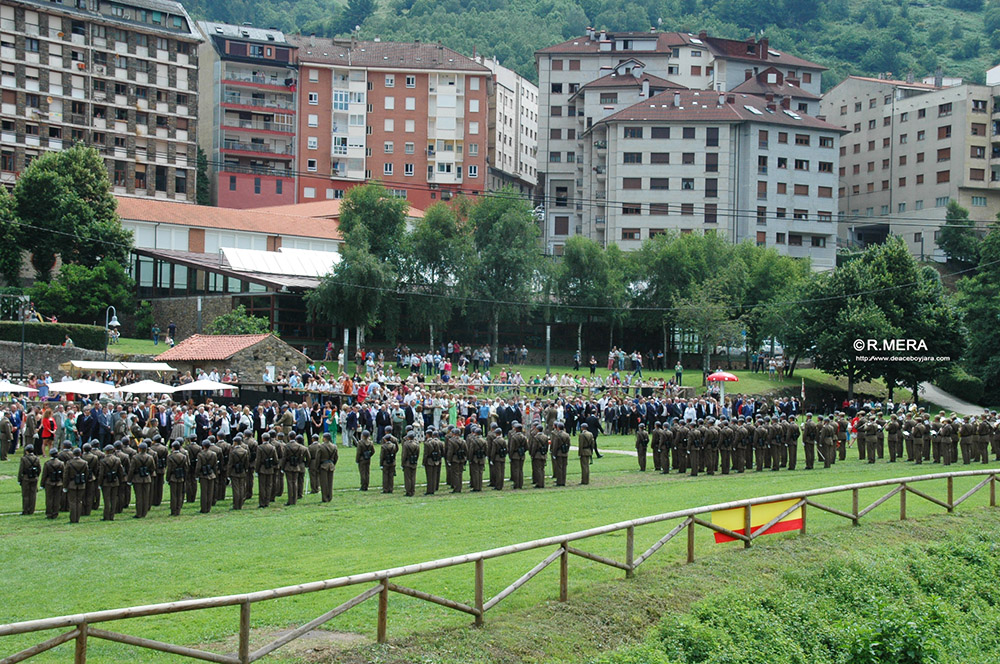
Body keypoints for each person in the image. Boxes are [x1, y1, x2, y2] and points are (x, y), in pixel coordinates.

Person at [129, 442, 156, 518]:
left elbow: (132, 470)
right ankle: (144, 512)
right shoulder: (150, 457)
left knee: (139, 497)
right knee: (146, 496)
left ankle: (139, 513)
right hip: (147, 478)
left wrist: (129, 479)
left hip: (137, 478)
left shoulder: (135, 457)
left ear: (139, 449)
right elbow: (153, 468)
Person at [98, 444, 124, 520]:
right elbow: (120, 472)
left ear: (106, 451)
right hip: (115, 481)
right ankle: (112, 516)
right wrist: (120, 480)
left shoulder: (103, 461)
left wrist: (99, 483)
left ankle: (106, 516)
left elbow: (101, 474)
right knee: (113, 499)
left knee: (107, 500)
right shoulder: (117, 460)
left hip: (106, 482)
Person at [283, 435, 309, 506]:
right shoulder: (300, 447)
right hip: (297, 465)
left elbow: (284, 457)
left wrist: (282, 467)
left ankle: (290, 500)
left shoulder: (286, 446)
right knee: (295, 483)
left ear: (289, 437)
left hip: (288, 466)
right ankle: (295, 499)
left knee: (290, 483)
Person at [40, 448, 64, 520]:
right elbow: (63, 474)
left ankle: (49, 513)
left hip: (49, 483)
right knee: (57, 498)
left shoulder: (47, 463)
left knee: (49, 499)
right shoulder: (61, 463)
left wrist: (42, 484)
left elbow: (44, 475)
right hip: (59, 483)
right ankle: (55, 512)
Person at [18, 444, 41, 515]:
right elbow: (39, 469)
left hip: (26, 478)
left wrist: (19, 479)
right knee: (33, 494)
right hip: (34, 478)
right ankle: (32, 510)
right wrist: (37, 476)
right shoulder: (37, 458)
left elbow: (21, 470)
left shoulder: (24, 459)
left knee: (25, 495)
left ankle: (25, 510)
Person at [315, 432, 338, 502]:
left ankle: (325, 498)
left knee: (324, 483)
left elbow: (317, 458)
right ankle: (330, 496)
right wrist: (333, 464)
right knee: (330, 482)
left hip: (323, 466)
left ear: (324, 438)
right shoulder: (334, 446)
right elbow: (336, 457)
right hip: (331, 465)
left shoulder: (320, 447)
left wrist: (317, 467)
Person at [196, 440, 218, 514]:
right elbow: (215, 466)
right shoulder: (213, 454)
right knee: (210, 492)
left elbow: (198, 466)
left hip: (203, 475)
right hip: (211, 474)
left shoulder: (200, 454)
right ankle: (209, 507)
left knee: (204, 492)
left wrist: (197, 474)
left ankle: (204, 508)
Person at [507, 422, 528, 490]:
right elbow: (526, 447)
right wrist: (522, 451)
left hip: (515, 455)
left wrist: (510, 455)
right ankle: (520, 484)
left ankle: (516, 484)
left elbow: (512, 448)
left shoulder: (514, 437)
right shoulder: (524, 437)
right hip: (521, 455)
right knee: (521, 470)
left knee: (516, 470)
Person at [551, 421, 571, 486]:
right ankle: (563, 481)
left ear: (558, 428)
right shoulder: (567, 435)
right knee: (564, 467)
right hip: (565, 452)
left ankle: (559, 482)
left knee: (559, 467)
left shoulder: (557, 435)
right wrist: (566, 450)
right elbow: (569, 444)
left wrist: (554, 453)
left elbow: (555, 445)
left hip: (559, 452)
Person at [401, 432, 420, 497]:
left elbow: (404, 455)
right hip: (414, 461)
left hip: (407, 462)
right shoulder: (417, 444)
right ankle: (413, 490)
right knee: (413, 477)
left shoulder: (406, 444)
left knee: (407, 478)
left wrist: (402, 463)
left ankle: (408, 491)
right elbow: (418, 454)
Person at [380, 428, 398, 494]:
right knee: (391, 476)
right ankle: (391, 488)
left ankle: (385, 489)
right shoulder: (393, 445)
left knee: (385, 476)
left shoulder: (383, 446)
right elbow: (397, 449)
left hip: (385, 462)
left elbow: (382, 456)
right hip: (392, 460)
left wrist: (381, 464)